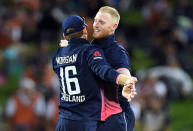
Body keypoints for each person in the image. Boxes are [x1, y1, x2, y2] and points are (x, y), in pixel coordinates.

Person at [52, 15, 137, 131]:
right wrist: (124, 79)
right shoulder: (90, 50)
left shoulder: (58, 54)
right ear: (84, 30)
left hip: (64, 121)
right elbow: (103, 70)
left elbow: (65, 49)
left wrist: (67, 45)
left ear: (64, 35)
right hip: (86, 120)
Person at [92, 6, 136, 131]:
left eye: (102, 22)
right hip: (97, 118)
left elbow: (125, 75)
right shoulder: (91, 48)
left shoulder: (116, 52)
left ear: (114, 26)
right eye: (95, 20)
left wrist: (127, 83)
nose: (96, 25)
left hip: (117, 118)